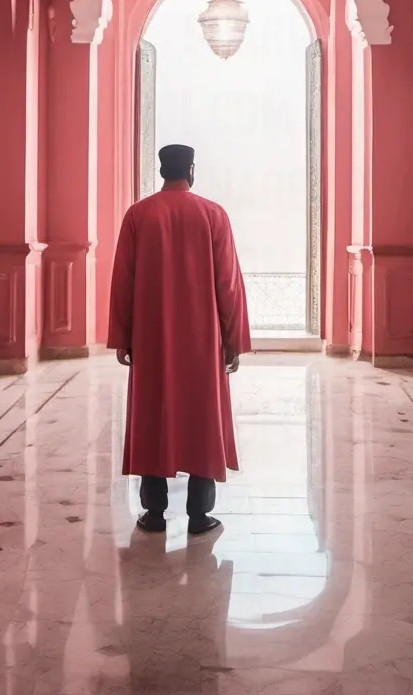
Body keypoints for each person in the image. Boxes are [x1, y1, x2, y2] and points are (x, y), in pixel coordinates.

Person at [107, 143, 251, 535]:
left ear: (160, 171)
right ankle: (199, 515)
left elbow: (124, 282)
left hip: (151, 337)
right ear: (190, 169)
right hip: (203, 339)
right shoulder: (213, 214)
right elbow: (228, 284)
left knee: (153, 413)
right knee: (202, 417)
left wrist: (123, 336)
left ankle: (153, 513)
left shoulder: (139, 215)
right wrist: (233, 338)